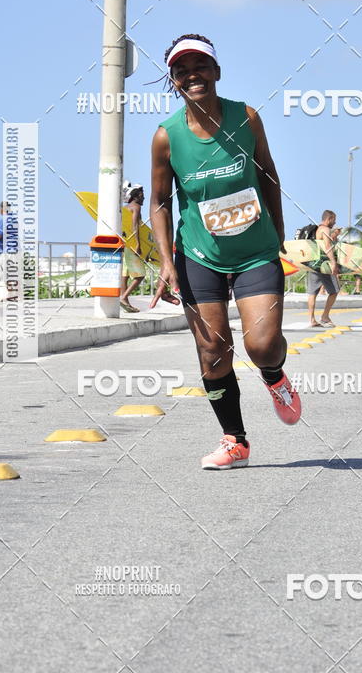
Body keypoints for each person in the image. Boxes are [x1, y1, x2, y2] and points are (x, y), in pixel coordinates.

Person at [149, 33, 301, 470]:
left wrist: (278, 235)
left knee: (263, 345)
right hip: (199, 255)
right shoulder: (166, 137)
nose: (191, 75)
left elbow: (268, 174)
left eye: (200, 66)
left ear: (216, 72)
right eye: (181, 70)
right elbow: (160, 201)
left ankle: (275, 377)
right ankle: (235, 441)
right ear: (174, 81)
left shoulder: (246, 117)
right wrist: (165, 260)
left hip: (256, 252)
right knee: (213, 351)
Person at [306, 212, 340, 327]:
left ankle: (311, 320)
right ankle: (325, 316)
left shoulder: (318, 229)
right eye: (334, 219)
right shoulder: (325, 229)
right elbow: (327, 246)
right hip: (324, 265)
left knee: (312, 293)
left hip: (313, 264)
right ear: (329, 219)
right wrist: (333, 262)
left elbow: (323, 243)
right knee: (334, 291)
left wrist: (335, 235)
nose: (335, 222)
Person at [120, 183, 146, 314]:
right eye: (142, 195)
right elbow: (135, 225)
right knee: (140, 275)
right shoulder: (136, 207)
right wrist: (138, 244)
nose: (144, 198)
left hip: (124, 245)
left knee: (124, 275)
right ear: (135, 196)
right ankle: (124, 298)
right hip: (132, 245)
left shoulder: (125, 208)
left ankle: (126, 303)